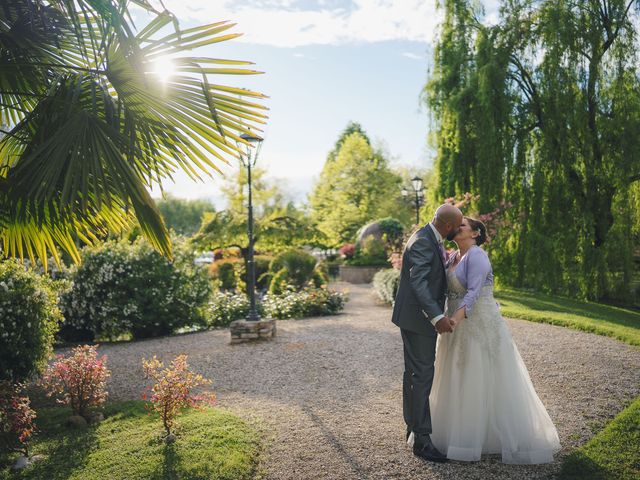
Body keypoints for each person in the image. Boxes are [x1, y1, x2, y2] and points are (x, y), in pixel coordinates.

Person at [428, 216, 561, 463]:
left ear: (476, 233)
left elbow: (473, 294)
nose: (457, 228)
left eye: (463, 226)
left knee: (479, 373)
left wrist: (454, 320)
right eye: (457, 225)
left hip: (477, 321)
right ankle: (453, 431)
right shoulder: (453, 257)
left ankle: (481, 438)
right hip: (457, 321)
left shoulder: (478, 256)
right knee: (456, 373)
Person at [391, 204, 463, 463]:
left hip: (412, 318)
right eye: (457, 226)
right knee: (421, 376)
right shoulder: (423, 241)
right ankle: (422, 440)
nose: (458, 230)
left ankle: (413, 428)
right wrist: (437, 317)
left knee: (414, 374)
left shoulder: (428, 235)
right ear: (447, 226)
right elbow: (418, 283)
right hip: (419, 320)